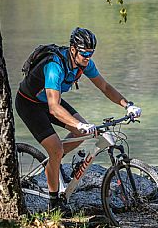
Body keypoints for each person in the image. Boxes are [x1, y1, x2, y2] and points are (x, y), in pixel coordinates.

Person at [15, 27, 142, 213]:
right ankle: (54, 203)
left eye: (91, 53)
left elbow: (105, 87)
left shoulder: (85, 64)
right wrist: (80, 125)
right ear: (73, 49)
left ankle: (53, 163)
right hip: (30, 104)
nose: (87, 57)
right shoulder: (55, 66)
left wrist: (127, 105)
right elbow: (54, 108)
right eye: (84, 53)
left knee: (77, 136)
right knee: (62, 144)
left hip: (51, 100)